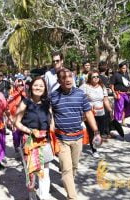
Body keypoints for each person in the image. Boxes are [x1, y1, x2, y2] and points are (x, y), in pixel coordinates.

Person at [50, 68, 101, 200]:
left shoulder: (80, 94)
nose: (67, 79)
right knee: (66, 169)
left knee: (74, 166)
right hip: (61, 139)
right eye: (63, 77)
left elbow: (89, 113)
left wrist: (96, 131)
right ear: (58, 80)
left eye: (69, 77)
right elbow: (49, 115)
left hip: (78, 138)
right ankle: (72, 196)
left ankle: (68, 182)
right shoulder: (53, 96)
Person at [15, 77, 54, 200]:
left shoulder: (47, 102)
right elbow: (17, 122)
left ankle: (44, 197)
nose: (38, 88)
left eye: (41, 86)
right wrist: (30, 131)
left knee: (44, 171)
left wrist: (51, 131)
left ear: (45, 88)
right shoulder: (25, 102)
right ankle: (32, 196)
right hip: (30, 141)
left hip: (44, 140)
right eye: (36, 85)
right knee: (31, 172)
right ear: (31, 87)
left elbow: (51, 119)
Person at [80, 69, 113, 158]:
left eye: (97, 76)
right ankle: (94, 149)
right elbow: (79, 98)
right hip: (89, 113)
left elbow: (105, 100)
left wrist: (110, 110)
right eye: (93, 77)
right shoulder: (84, 86)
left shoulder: (102, 87)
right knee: (92, 131)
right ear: (90, 78)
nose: (96, 78)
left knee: (99, 131)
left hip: (101, 112)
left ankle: (96, 143)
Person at [7, 78, 27, 151]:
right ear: (15, 85)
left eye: (22, 85)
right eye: (18, 85)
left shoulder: (26, 95)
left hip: (26, 119)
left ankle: (25, 151)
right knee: (16, 136)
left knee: (25, 136)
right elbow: (8, 108)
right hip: (15, 119)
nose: (20, 86)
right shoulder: (12, 96)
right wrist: (11, 121)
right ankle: (18, 148)